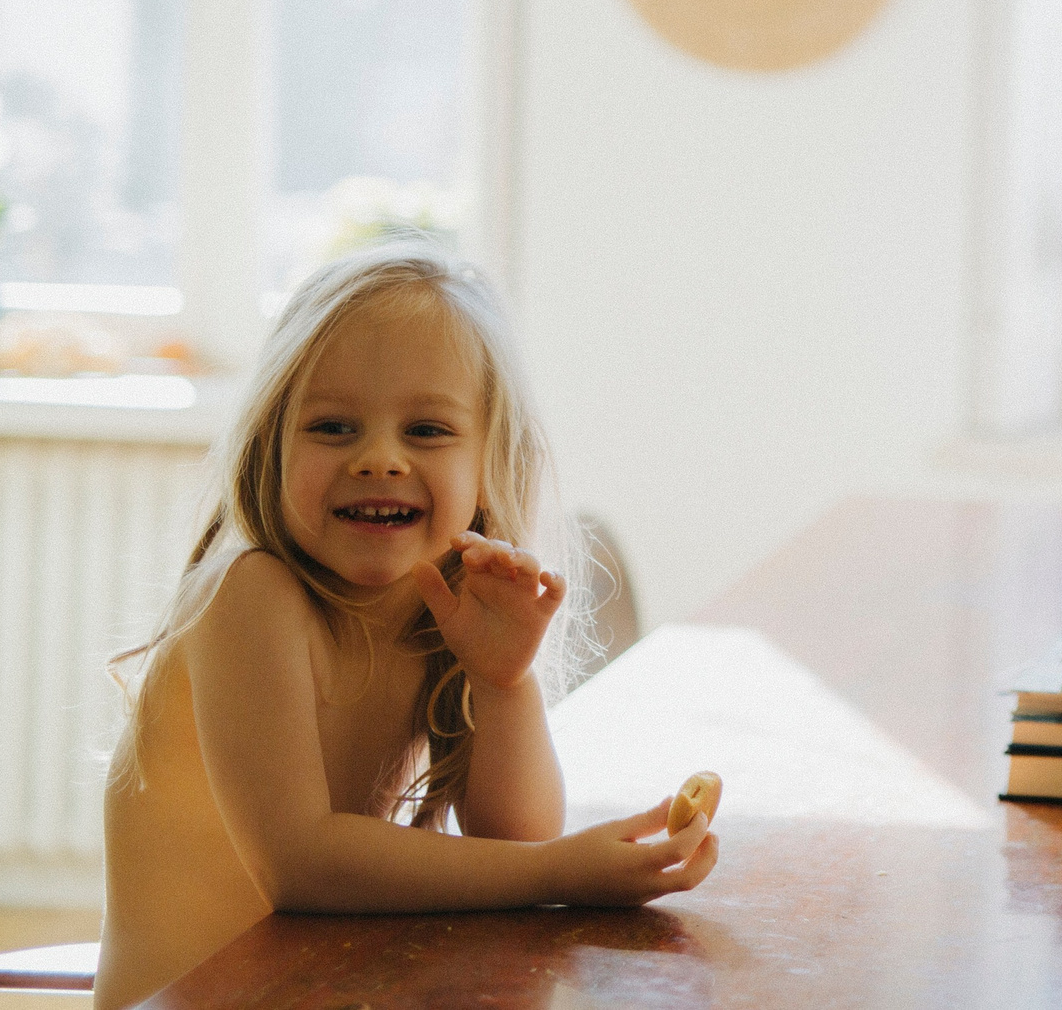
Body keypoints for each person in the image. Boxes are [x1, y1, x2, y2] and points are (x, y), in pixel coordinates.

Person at [96, 241, 718, 1010]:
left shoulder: (439, 608)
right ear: (271, 441)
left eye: (426, 430)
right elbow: (302, 863)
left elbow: (515, 835)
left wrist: (503, 681)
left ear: (491, 464)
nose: (379, 457)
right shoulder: (252, 596)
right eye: (332, 427)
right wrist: (563, 871)